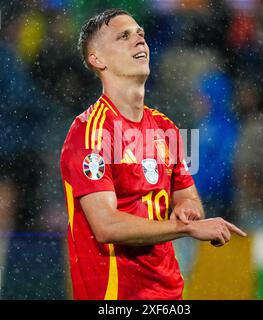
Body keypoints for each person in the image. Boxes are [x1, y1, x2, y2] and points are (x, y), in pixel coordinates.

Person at [60, 9, 246, 300]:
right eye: (124, 36)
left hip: (169, 294)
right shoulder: (89, 133)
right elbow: (106, 225)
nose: (139, 41)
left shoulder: (164, 127)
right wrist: (186, 228)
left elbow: (186, 194)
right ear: (97, 59)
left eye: (140, 35)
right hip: (117, 297)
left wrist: (188, 209)